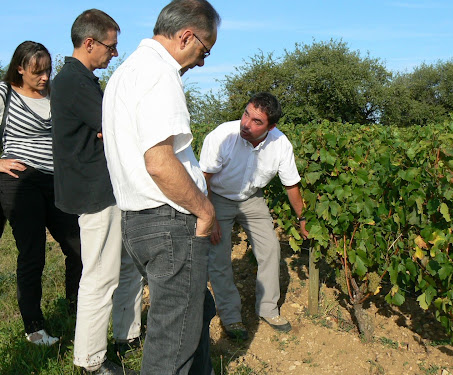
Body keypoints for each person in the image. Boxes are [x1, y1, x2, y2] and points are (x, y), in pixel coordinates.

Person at [102, 1, 220, 374]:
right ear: (186, 35)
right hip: (169, 222)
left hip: (139, 222)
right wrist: (204, 209)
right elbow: (159, 161)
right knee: (172, 343)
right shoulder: (158, 73)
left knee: (195, 312)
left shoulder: (126, 72)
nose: (201, 62)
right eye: (204, 51)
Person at [51, 9, 142, 374]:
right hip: (95, 190)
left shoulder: (81, 78)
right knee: (100, 276)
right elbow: (115, 126)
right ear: (89, 43)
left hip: (104, 187)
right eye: (111, 46)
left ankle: (127, 333)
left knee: (124, 266)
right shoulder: (74, 80)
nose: (114, 53)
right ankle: (89, 360)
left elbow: (108, 127)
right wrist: (111, 129)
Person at [199, 92, 309, 340]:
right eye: (246, 114)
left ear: (271, 127)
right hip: (215, 197)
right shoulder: (222, 136)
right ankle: (230, 316)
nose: (246, 124)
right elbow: (202, 180)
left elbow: (291, 185)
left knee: (270, 249)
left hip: (251, 198)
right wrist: (210, 217)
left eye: (256, 121)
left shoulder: (281, 144)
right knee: (218, 258)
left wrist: (303, 218)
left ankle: (268, 309)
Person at [0, 41, 82, 345]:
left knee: (78, 246)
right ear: (20, 68)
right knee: (33, 253)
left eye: (48, 70)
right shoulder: (4, 93)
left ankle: (78, 311)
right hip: (20, 181)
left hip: (57, 181)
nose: (45, 77)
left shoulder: (55, 95)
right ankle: (34, 329)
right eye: (37, 71)